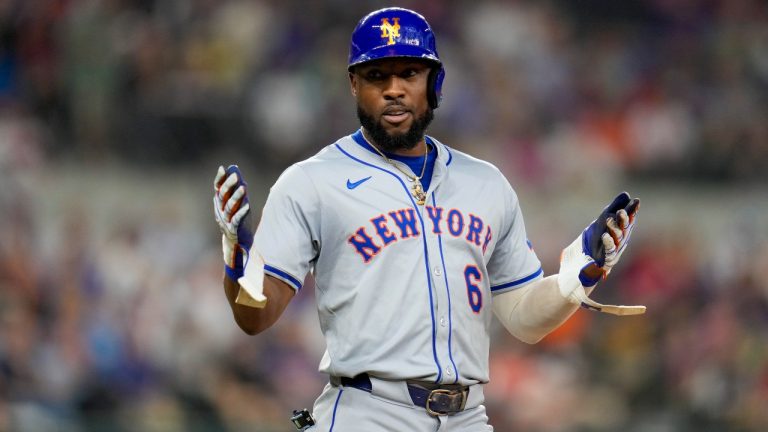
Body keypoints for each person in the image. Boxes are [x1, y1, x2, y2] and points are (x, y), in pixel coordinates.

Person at [213, 7, 642, 431]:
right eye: (377, 76)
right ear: (353, 84)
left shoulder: (485, 183)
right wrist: (237, 263)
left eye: (409, 74)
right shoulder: (311, 182)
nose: (394, 89)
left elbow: (524, 320)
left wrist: (576, 277)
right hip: (368, 412)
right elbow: (256, 316)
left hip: (469, 416)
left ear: (434, 83)